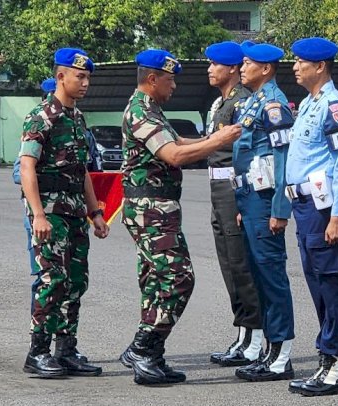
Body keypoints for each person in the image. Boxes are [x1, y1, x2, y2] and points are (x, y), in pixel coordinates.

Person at [118, 49, 242, 385]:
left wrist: (210, 140)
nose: (174, 86)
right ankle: (143, 348)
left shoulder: (152, 110)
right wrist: (217, 139)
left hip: (157, 206)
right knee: (178, 279)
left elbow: (177, 141)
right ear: (153, 79)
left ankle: (150, 354)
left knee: (156, 282)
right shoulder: (142, 110)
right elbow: (173, 154)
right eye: (170, 79)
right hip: (150, 208)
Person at [19, 48, 108, 378]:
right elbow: (27, 168)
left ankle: (66, 349)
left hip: (74, 213)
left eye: (87, 78)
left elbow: (82, 170)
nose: (85, 83)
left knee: (75, 282)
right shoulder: (41, 117)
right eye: (79, 76)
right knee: (51, 280)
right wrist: (38, 215)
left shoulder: (77, 118)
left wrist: (95, 211)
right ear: (60, 77)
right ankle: (37, 351)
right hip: (51, 213)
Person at [286, 37, 338, 397]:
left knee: (332, 284)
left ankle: (335, 365)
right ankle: (326, 361)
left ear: (320, 66)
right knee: (317, 284)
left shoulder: (334, 107)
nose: (295, 67)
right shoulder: (311, 105)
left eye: (300, 62)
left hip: (325, 208)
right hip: (306, 206)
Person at [231, 41, 296, 383]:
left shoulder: (273, 105)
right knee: (258, 276)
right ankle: (270, 350)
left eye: (248, 63)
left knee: (272, 277)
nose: (242, 68)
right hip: (250, 199)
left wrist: (279, 208)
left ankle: (282, 355)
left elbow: (283, 159)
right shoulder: (252, 102)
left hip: (267, 200)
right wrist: (243, 204)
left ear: (266, 68)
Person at [203, 41, 265, 368]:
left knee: (240, 262)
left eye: (215, 64)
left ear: (231, 69)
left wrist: (243, 198)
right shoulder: (221, 103)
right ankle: (243, 333)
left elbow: (246, 154)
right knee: (229, 263)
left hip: (232, 185)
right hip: (217, 185)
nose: (210, 69)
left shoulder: (241, 103)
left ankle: (255, 336)